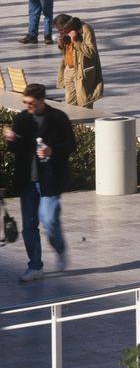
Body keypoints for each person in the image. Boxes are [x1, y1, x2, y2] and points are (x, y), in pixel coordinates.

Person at [5, 84, 75, 282]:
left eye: (31, 103)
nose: (27, 106)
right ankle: (35, 266)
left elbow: (70, 145)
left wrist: (52, 151)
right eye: (25, 102)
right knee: (29, 226)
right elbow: (15, 148)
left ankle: (60, 249)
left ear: (42, 101)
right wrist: (10, 140)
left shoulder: (58, 118)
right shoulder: (22, 119)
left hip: (50, 180)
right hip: (27, 180)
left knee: (49, 220)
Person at [53, 16, 104, 108]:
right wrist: (61, 45)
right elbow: (67, 52)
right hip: (68, 69)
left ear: (67, 26)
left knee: (84, 102)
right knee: (70, 103)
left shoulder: (85, 29)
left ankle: (85, 122)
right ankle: (73, 122)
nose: (60, 32)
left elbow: (91, 53)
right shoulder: (66, 31)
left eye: (61, 30)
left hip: (81, 70)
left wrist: (76, 41)